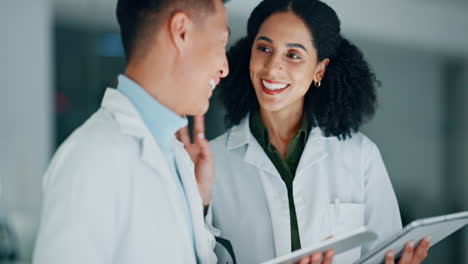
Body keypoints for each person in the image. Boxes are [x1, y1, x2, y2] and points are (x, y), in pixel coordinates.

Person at [205, 0, 431, 263]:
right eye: (264, 48)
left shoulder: (361, 156)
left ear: (319, 69)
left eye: (293, 55)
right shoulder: (212, 162)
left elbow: (383, 252)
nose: (272, 67)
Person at [32, 0, 230, 263]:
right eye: (220, 44)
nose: (224, 68)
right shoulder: (91, 159)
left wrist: (201, 201)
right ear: (181, 32)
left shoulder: (177, 156)